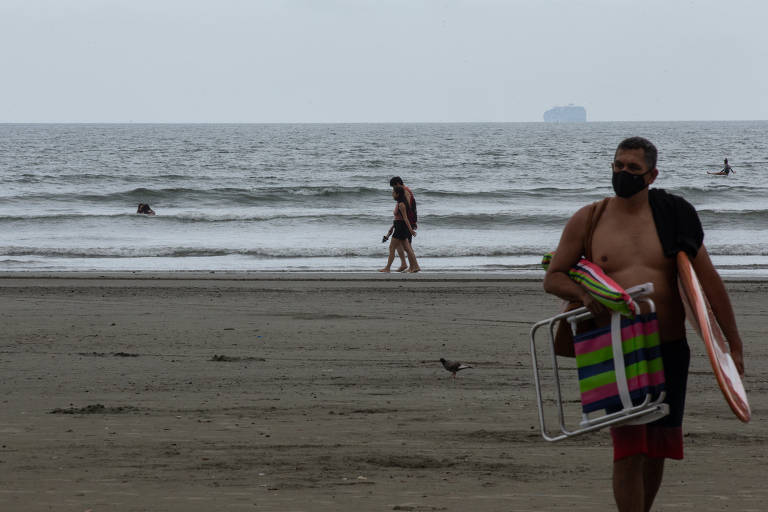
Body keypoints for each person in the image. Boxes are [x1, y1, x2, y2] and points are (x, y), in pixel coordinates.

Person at [543, 136, 744, 512]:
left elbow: (708, 283)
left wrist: (733, 345)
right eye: (618, 166)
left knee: (659, 449)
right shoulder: (590, 218)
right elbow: (553, 276)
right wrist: (588, 297)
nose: (623, 174)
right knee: (629, 449)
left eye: (632, 169)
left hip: (669, 348)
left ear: (652, 175)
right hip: (619, 350)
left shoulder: (673, 215)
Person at [379, 187, 419, 273]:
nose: (392, 194)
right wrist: (391, 229)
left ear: (398, 194)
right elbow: (399, 218)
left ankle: (387, 268)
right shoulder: (400, 203)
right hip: (399, 226)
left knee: (392, 247)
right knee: (407, 248)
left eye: (393, 192)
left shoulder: (401, 204)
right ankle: (416, 266)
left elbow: (405, 218)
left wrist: (411, 230)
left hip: (400, 228)